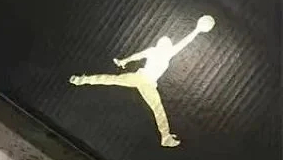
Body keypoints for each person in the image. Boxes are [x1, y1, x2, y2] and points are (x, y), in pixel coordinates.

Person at [69, 15, 215, 147]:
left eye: (167, 43)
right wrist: (124, 61)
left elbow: (183, 43)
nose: (165, 44)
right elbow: (138, 55)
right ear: (160, 44)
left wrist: (197, 30)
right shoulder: (158, 51)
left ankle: (165, 137)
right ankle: (81, 80)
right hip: (143, 79)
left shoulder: (164, 52)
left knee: (154, 106)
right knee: (153, 106)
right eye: (164, 42)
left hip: (147, 82)